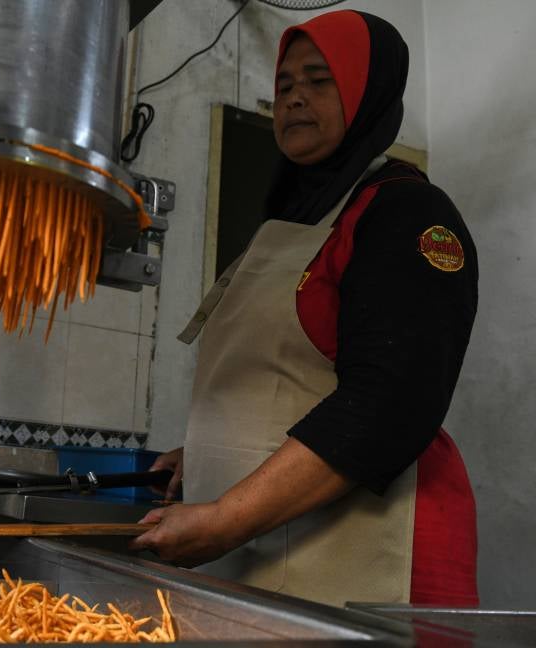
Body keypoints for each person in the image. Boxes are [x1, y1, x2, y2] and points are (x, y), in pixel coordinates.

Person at [130, 10, 479, 608]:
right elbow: (288, 386)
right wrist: (210, 453)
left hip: (378, 557)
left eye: (320, 81)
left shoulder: (407, 214)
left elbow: (389, 403)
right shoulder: (291, 223)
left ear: (369, 92)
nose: (294, 98)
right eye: (285, 84)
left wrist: (226, 517)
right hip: (272, 551)